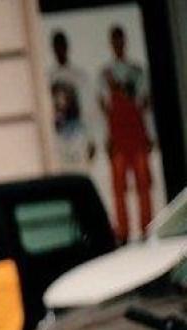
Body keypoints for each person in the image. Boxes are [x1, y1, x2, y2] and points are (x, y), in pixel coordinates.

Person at [100, 25, 155, 242]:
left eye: (120, 40)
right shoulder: (105, 73)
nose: (118, 44)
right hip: (118, 137)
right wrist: (107, 138)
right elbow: (104, 110)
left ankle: (147, 228)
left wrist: (150, 135)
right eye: (115, 40)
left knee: (143, 185)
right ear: (111, 44)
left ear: (125, 41)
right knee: (119, 189)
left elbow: (144, 104)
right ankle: (122, 232)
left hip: (137, 135)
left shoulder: (137, 71)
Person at [48, 30, 95, 171]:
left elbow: (88, 108)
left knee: (80, 174)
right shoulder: (49, 77)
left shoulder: (80, 76)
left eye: (62, 45)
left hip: (78, 137)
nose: (59, 49)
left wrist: (91, 139)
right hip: (58, 140)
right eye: (56, 46)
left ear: (67, 47)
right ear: (53, 49)